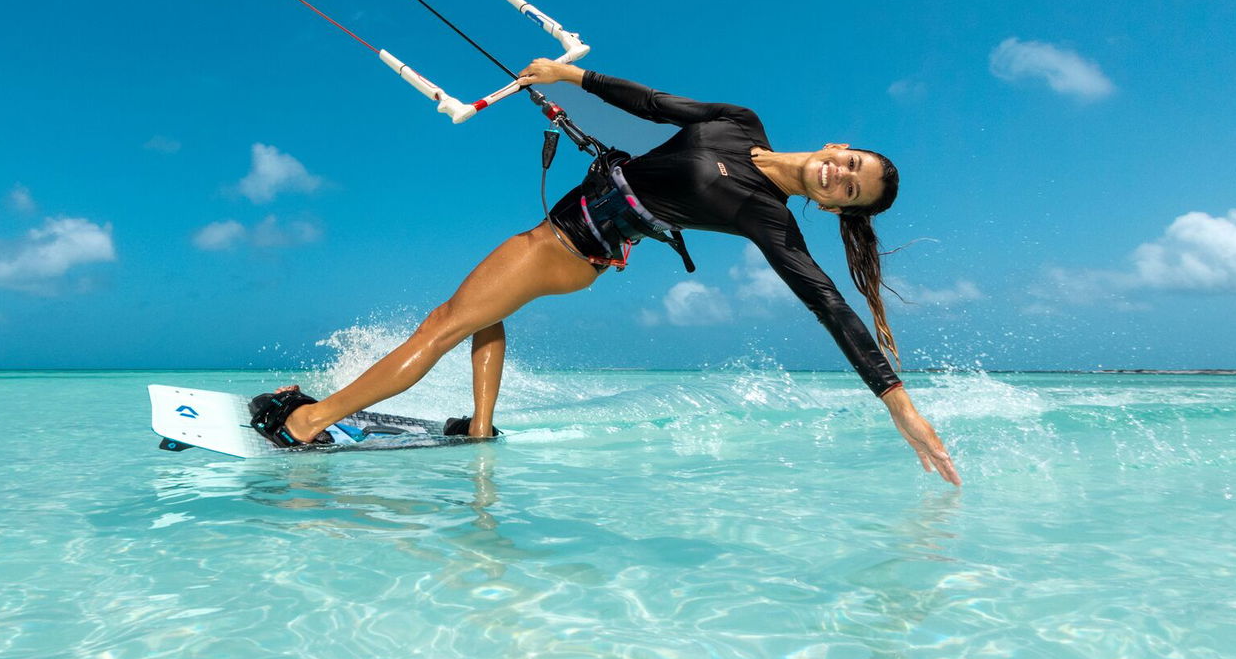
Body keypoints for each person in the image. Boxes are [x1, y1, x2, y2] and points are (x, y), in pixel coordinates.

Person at [252, 60, 961, 485]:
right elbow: (654, 105)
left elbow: (827, 301)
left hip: (563, 244)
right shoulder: (740, 123)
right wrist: (573, 77)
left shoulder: (768, 216)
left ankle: (309, 424)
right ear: (839, 147)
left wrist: (896, 402)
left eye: (848, 192)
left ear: (834, 206)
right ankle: (478, 430)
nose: (839, 177)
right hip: (573, 250)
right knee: (483, 311)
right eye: (851, 166)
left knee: (443, 324)